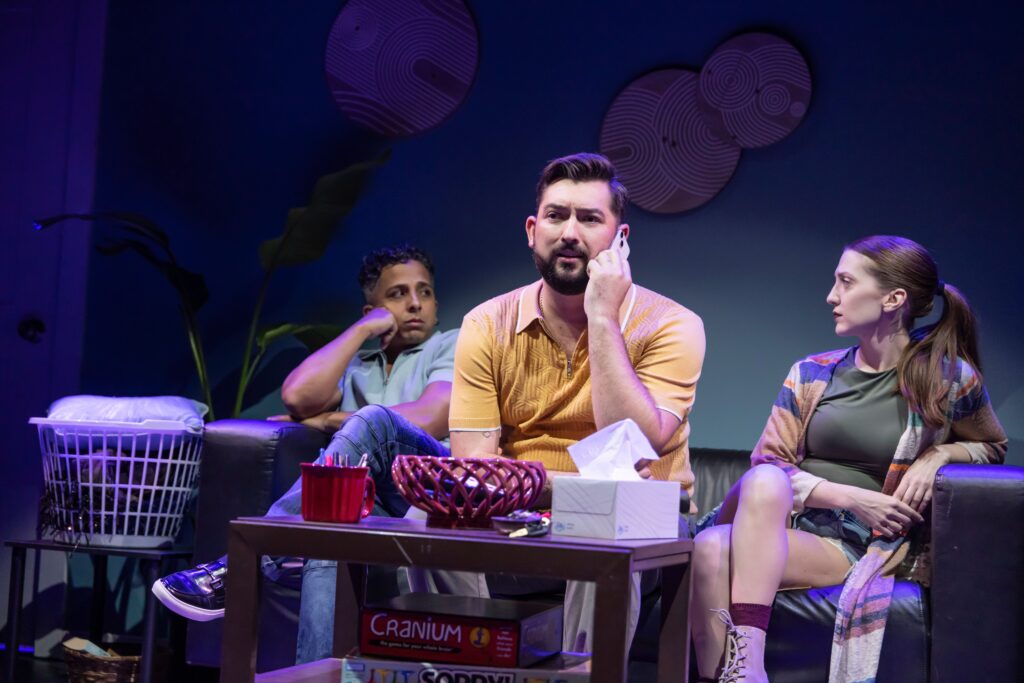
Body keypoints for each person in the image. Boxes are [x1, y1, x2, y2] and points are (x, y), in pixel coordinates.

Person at [689, 235, 1007, 683]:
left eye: (845, 282)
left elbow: (993, 447)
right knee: (765, 482)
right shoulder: (812, 373)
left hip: (850, 543)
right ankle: (749, 669)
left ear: (894, 299)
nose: (831, 296)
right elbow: (769, 463)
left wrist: (941, 453)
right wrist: (854, 497)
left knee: (710, 548)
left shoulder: (948, 379)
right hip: (776, 517)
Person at [447, 152, 706, 653]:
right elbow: (474, 472)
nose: (570, 232)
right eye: (556, 215)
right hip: (521, 519)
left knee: (605, 528)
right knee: (428, 521)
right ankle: (467, 663)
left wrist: (604, 316)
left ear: (620, 239)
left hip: (641, 524)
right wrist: (576, 490)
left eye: (589, 219)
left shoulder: (672, 324)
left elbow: (628, 446)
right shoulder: (486, 323)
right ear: (531, 229)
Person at [151, 245, 458, 638]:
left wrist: (328, 419)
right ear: (373, 311)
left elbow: (431, 418)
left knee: (373, 424)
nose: (415, 303)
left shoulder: (449, 344)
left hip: (424, 487)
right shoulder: (357, 366)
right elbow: (296, 395)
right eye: (398, 294)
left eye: (425, 291)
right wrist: (361, 331)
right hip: (363, 497)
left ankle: (239, 565)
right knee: (327, 530)